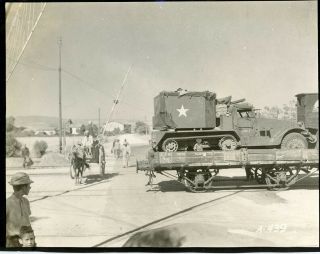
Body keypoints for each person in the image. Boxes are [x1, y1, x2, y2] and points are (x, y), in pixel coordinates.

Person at [6, 172, 33, 247]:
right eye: (29, 185)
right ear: (23, 187)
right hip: (12, 243)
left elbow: (28, 223)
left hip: (26, 242)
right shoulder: (7, 204)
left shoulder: (26, 202)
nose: (30, 187)